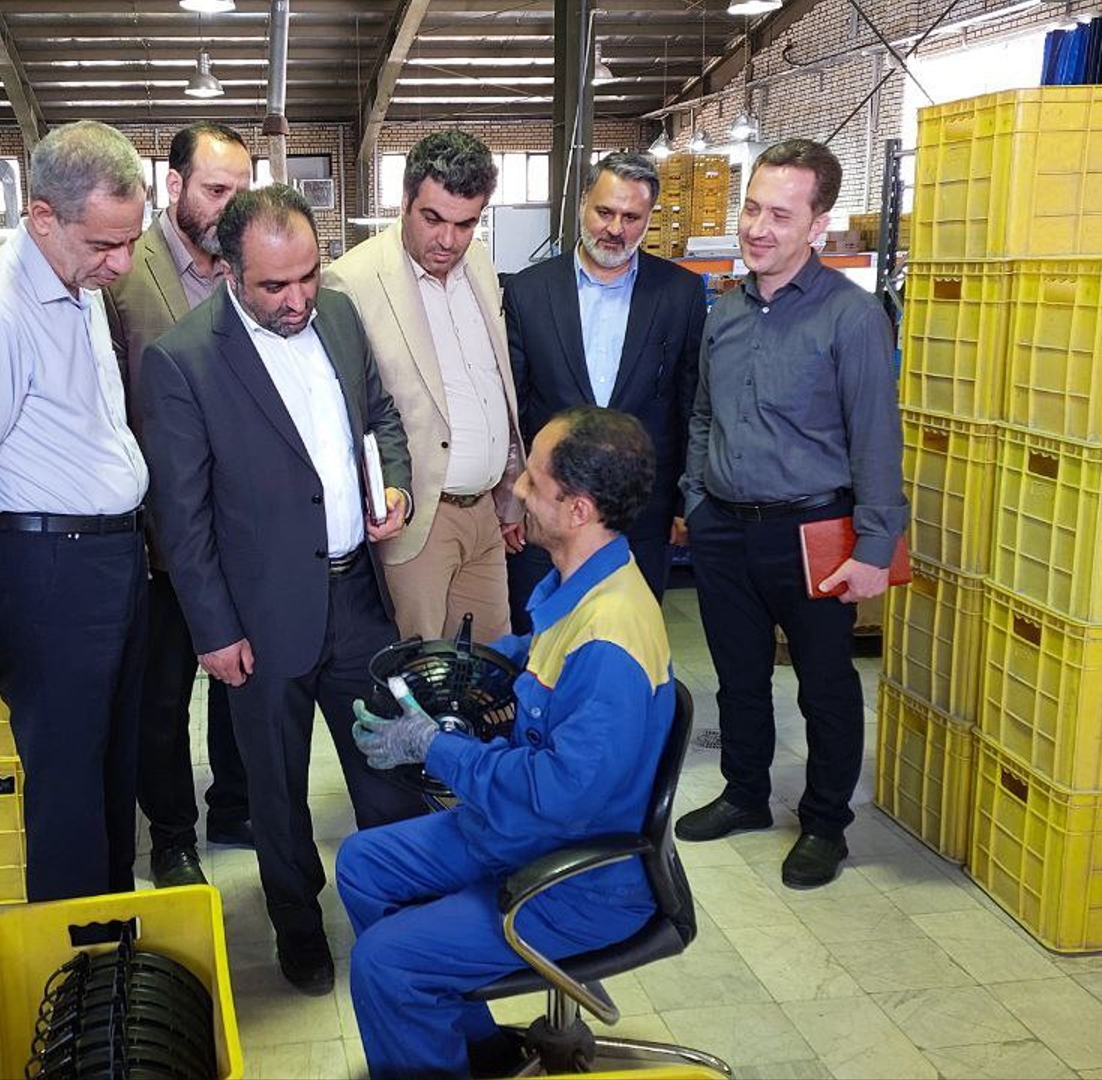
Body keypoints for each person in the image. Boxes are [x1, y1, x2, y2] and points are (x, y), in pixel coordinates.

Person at [137, 184, 429, 996]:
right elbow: (182, 517)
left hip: (357, 597)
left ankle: (402, 917)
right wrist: (213, 630)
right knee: (275, 788)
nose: (298, 299)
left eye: (308, 275)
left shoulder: (338, 315)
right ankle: (298, 927)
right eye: (275, 286)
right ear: (228, 272)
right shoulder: (183, 360)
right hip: (260, 619)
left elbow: (382, 418)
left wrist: (393, 488)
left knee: (388, 769)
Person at [336, 406, 675, 1080]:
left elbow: (558, 795)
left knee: (385, 964)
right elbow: (535, 659)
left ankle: (425, 1009)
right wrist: (461, 672)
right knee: (362, 864)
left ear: (577, 510)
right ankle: (475, 1048)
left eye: (534, 482)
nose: (517, 488)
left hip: (578, 876)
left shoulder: (610, 641)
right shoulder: (583, 584)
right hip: (527, 832)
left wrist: (434, 746)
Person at [0, 120, 151, 904]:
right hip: (48, 570)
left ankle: (114, 932)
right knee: (67, 784)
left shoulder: (79, 287)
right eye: (105, 244)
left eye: (132, 241)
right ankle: (75, 947)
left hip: (111, 559)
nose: (120, 264)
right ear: (43, 216)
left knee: (114, 765)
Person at [672, 138, 908, 890]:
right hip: (723, 529)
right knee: (738, 676)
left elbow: (876, 437)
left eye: (780, 214)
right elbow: (703, 414)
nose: (757, 228)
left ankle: (825, 823)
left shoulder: (852, 317)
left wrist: (876, 548)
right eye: (751, 209)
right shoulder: (725, 310)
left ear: (817, 225)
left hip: (814, 533)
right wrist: (696, 495)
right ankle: (745, 793)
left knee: (824, 685)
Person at [105, 122, 256, 889]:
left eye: (241, 191)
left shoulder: (248, 271)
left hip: (240, 527)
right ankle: (172, 835)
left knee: (241, 679)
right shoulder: (126, 278)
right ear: (174, 186)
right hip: (161, 532)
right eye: (216, 190)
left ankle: (235, 805)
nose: (231, 206)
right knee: (161, 698)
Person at [324, 131, 524, 643]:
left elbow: (493, 382)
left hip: (485, 513)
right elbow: (349, 416)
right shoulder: (352, 281)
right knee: (418, 670)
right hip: (418, 523)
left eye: (466, 223)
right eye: (433, 218)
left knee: (492, 665)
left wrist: (509, 485)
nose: (448, 241)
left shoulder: (478, 262)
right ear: (405, 201)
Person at [503, 152, 704, 626]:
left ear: (648, 219)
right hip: (547, 512)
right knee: (540, 638)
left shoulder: (679, 293)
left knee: (624, 636)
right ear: (582, 206)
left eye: (631, 217)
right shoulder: (529, 291)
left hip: (641, 516)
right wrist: (512, 499)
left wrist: (683, 503)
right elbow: (513, 407)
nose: (615, 228)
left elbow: (690, 403)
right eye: (604, 212)